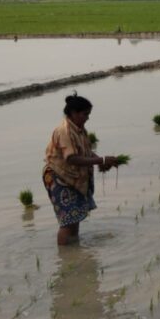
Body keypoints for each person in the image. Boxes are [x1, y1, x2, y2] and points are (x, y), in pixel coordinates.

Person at [43, 94, 120, 245]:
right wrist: (101, 160)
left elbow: (85, 152)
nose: (87, 118)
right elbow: (71, 158)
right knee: (67, 221)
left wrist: (101, 161)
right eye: (85, 114)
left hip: (72, 176)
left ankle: (74, 252)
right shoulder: (64, 131)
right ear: (73, 113)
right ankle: (65, 256)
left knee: (75, 217)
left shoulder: (79, 129)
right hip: (59, 177)